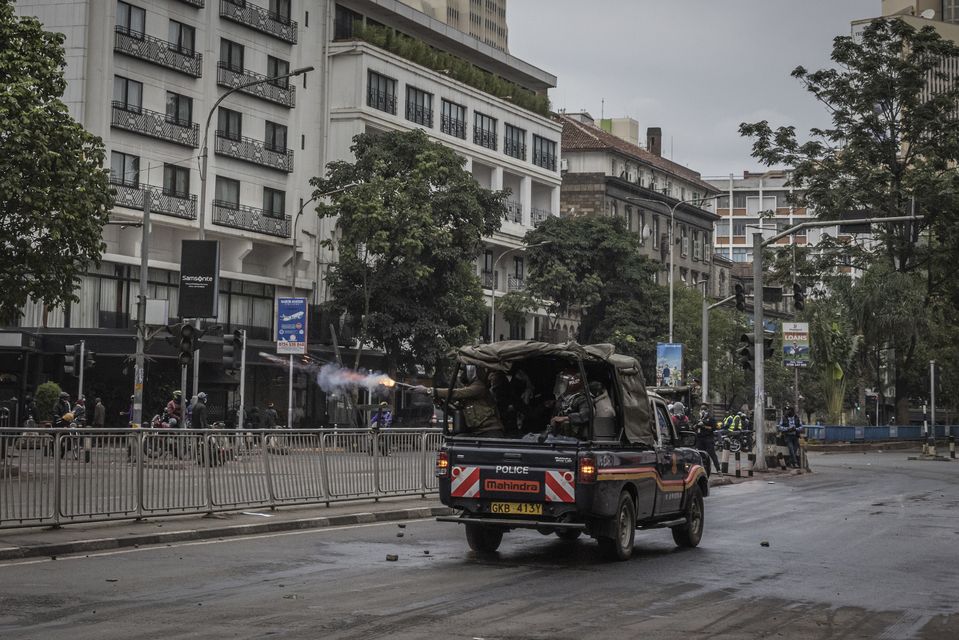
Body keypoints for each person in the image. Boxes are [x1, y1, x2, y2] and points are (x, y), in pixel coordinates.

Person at [429, 365, 505, 437]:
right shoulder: (469, 391)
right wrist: (442, 404)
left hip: (490, 431)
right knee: (458, 440)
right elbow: (458, 413)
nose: (462, 374)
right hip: (476, 432)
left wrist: (429, 391)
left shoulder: (479, 387)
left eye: (464, 371)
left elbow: (457, 393)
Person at [695, 404, 721, 474]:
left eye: (704, 409)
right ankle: (702, 470)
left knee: (712, 454)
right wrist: (697, 425)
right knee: (700, 455)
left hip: (708, 439)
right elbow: (694, 427)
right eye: (701, 409)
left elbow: (714, 428)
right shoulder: (698, 418)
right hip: (700, 439)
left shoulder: (711, 418)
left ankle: (718, 470)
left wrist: (704, 426)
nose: (702, 411)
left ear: (707, 410)